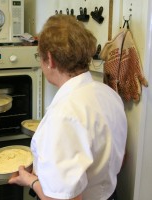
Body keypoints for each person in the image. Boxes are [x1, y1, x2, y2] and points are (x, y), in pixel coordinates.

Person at [9, 14, 127, 200]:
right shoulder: (109, 94)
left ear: (50, 59)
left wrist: (30, 180)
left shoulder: (64, 115)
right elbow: (118, 155)